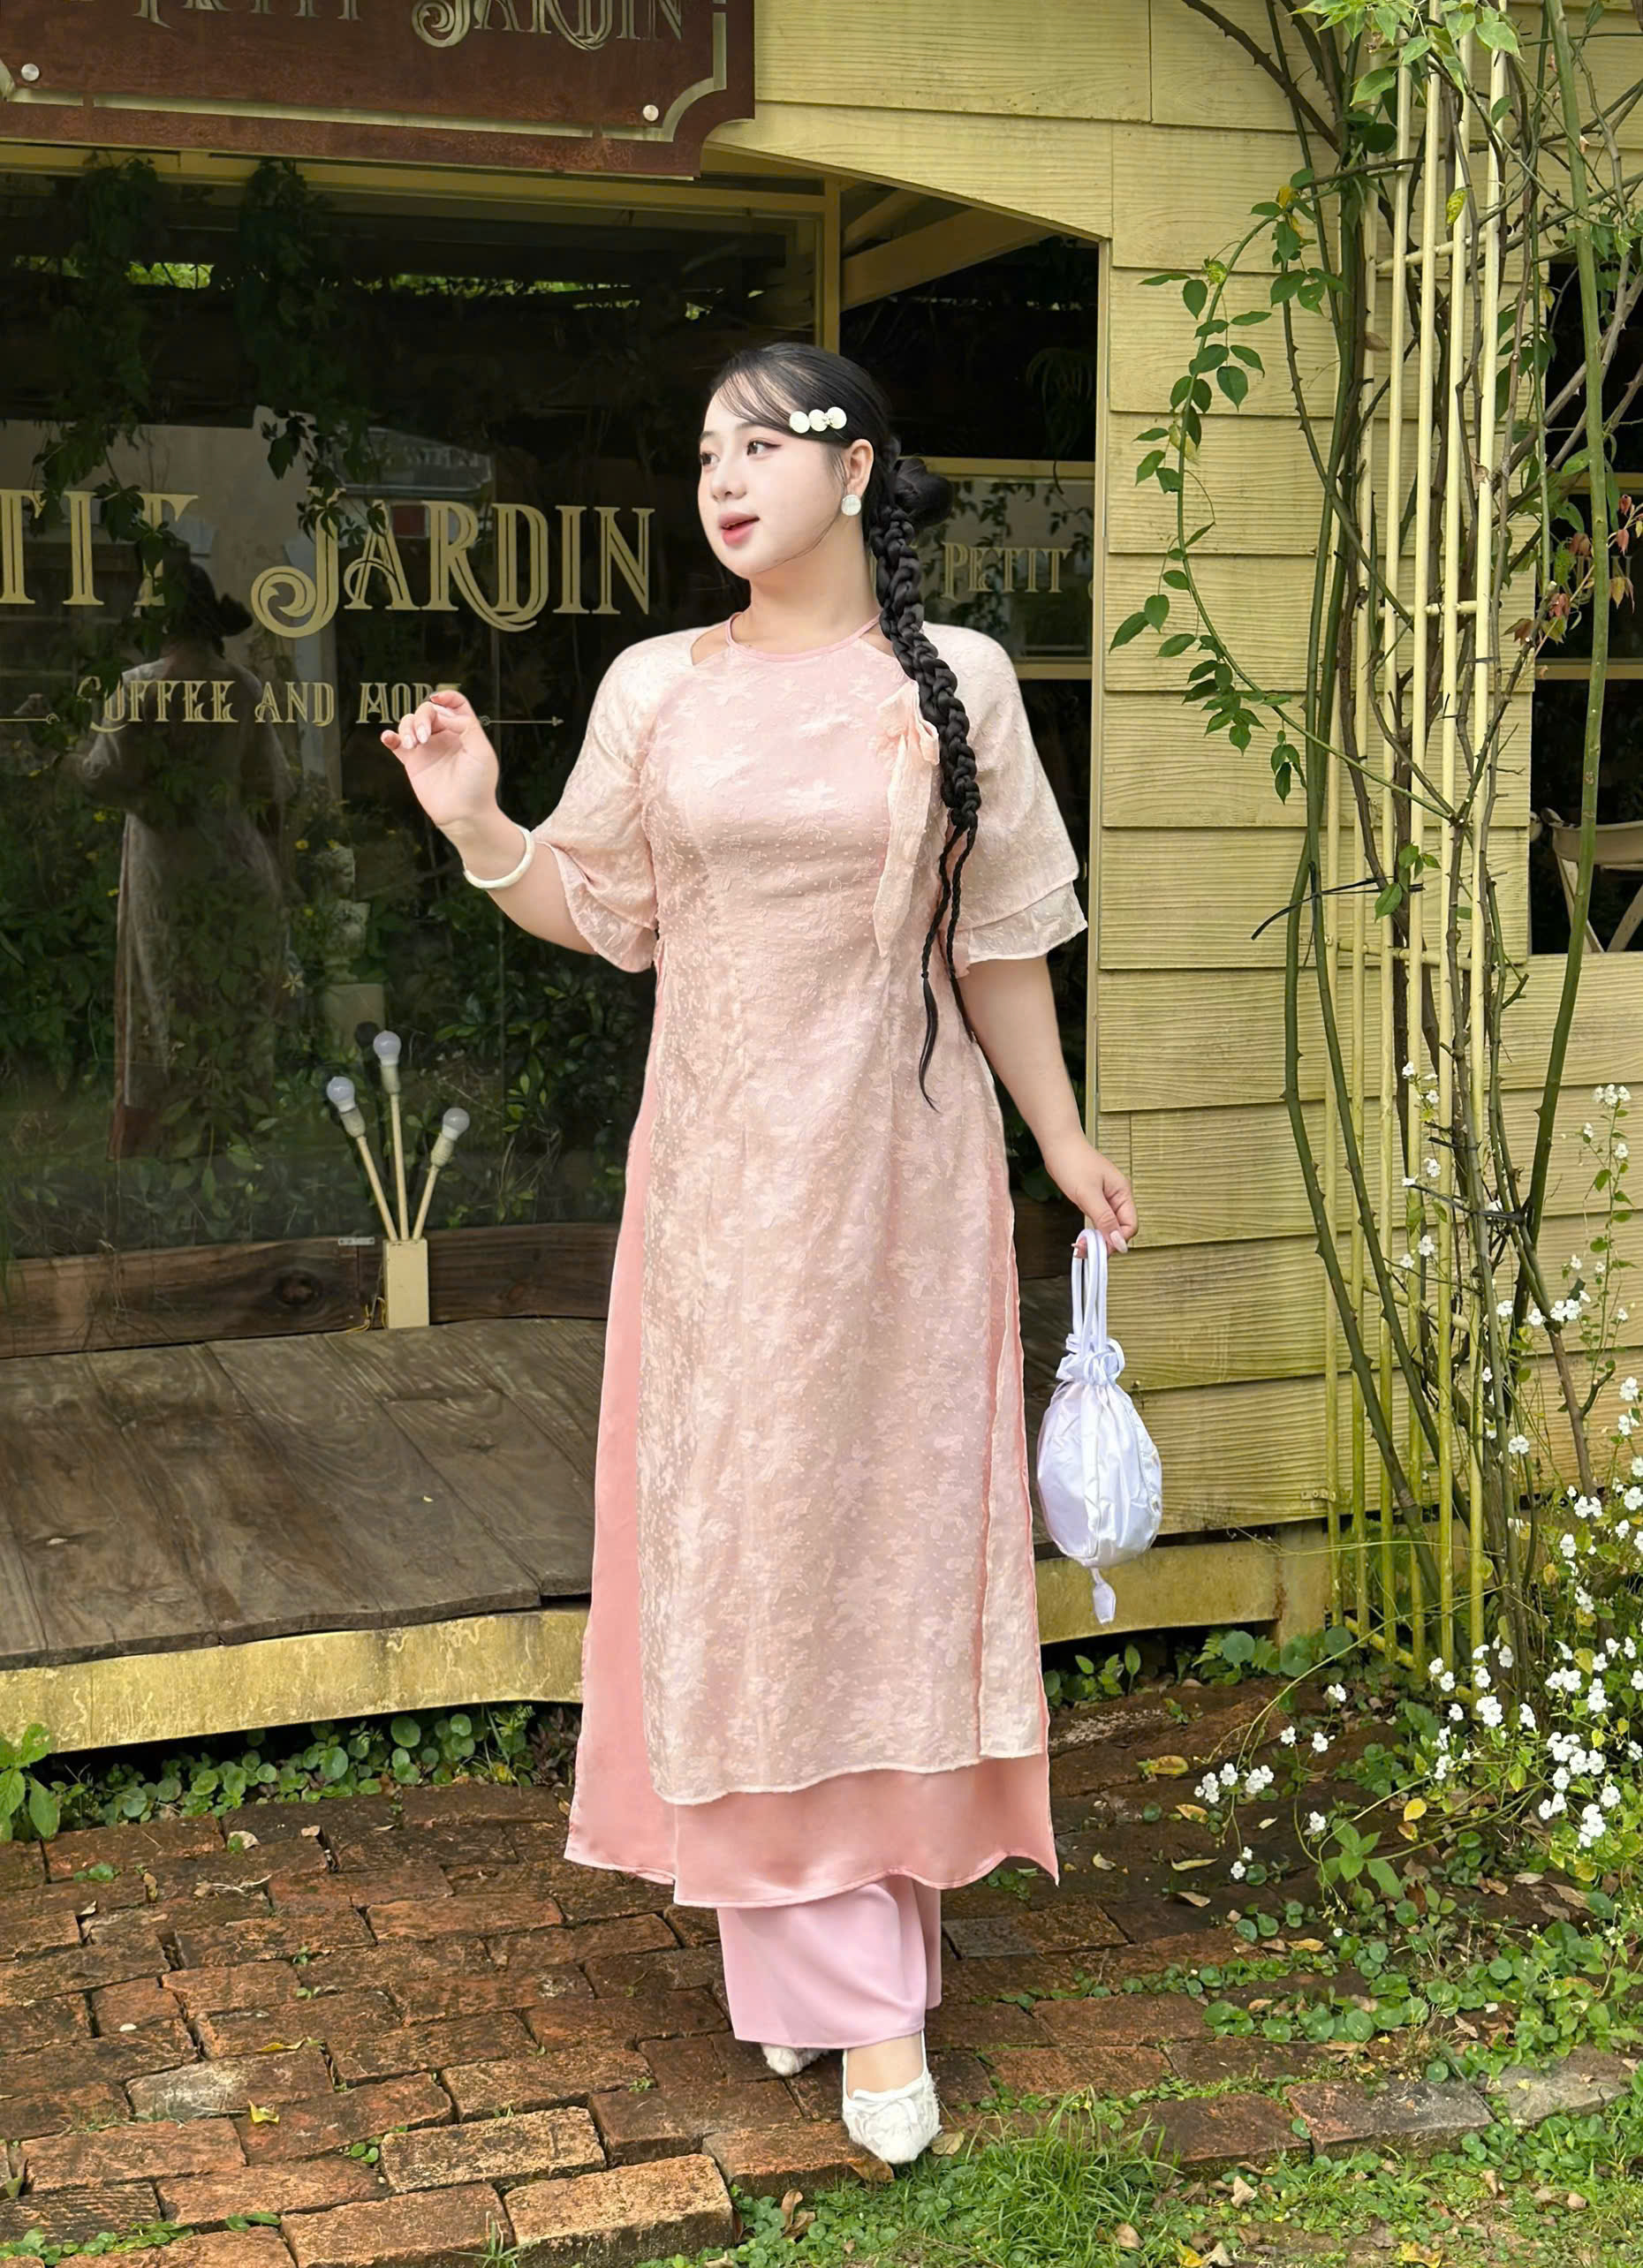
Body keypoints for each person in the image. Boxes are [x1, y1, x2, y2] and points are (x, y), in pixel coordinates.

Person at [381, 344, 1140, 2167]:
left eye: (759, 444)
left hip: (906, 1185)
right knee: (754, 1546)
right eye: (703, 450)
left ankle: (840, 1968)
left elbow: (1000, 941)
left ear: (854, 468)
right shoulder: (661, 685)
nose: (722, 478)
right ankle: (843, 1983)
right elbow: (604, 910)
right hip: (723, 1194)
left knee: (885, 1546)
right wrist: (480, 821)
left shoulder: (957, 680)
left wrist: (1060, 1136)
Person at [67, 557, 294, 1159]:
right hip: (237, 865)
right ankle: (231, 1139)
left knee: (167, 998)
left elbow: (100, 776)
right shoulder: (243, 687)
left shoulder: (141, 687)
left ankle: (180, 1145)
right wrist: (280, 881)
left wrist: (69, 761)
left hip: (169, 869)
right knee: (231, 1004)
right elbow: (270, 795)